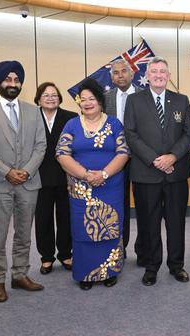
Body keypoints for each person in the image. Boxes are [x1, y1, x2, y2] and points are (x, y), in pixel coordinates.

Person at [0, 60, 47, 303]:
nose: (12, 84)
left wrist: (25, 170)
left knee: (24, 233)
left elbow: (40, 145)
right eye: (8, 80)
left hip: (29, 182)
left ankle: (20, 274)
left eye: (16, 80)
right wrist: (6, 171)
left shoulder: (33, 111)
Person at [124, 57, 190, 286]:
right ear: (147, 75)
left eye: (163, 71)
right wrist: (155, 160)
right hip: (146, 172)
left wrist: (172, 156)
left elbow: (189, 134)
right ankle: (151, 266)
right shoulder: (134, 101)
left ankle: (176, 266)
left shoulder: (181, 101)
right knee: (148, 222)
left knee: (176, 223)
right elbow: (130, 134)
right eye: (154, 71)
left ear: (169, 76)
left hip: (176, 173)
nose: (159, 75)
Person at [56, 78, 130, 290]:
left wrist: (104, 174)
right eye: (83, 99)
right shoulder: (71, 124)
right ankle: (86, 273)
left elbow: (123, 152)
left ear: (100, 101)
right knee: (83, 230)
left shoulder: (114, 123)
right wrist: (85, 174)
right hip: (81, 189)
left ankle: (110, 271)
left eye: (92, 99)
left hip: (111, 186)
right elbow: (61, 153)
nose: (87, 103)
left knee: (110, 228)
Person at [34, 82, 78, 275]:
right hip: (38, 177)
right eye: (46, 95)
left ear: (60, 98)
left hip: (65, 176)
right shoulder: (31, 118)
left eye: (54, 94)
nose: (50, 98)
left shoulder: (71, 118)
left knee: (65, 217)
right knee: (43, 218)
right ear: (38, 99)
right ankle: (46, 257)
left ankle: (66, 254)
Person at [104, 59, 144, 254]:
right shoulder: (104, 98)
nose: (120, 75)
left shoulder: (144, 96)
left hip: (141, 159)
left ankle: (143, 248)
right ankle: (121, 246)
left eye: (124, 71)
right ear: (111, 77)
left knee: (144, 203)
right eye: (116, 73)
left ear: (132, 74)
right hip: (113, 161)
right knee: (118, 204)